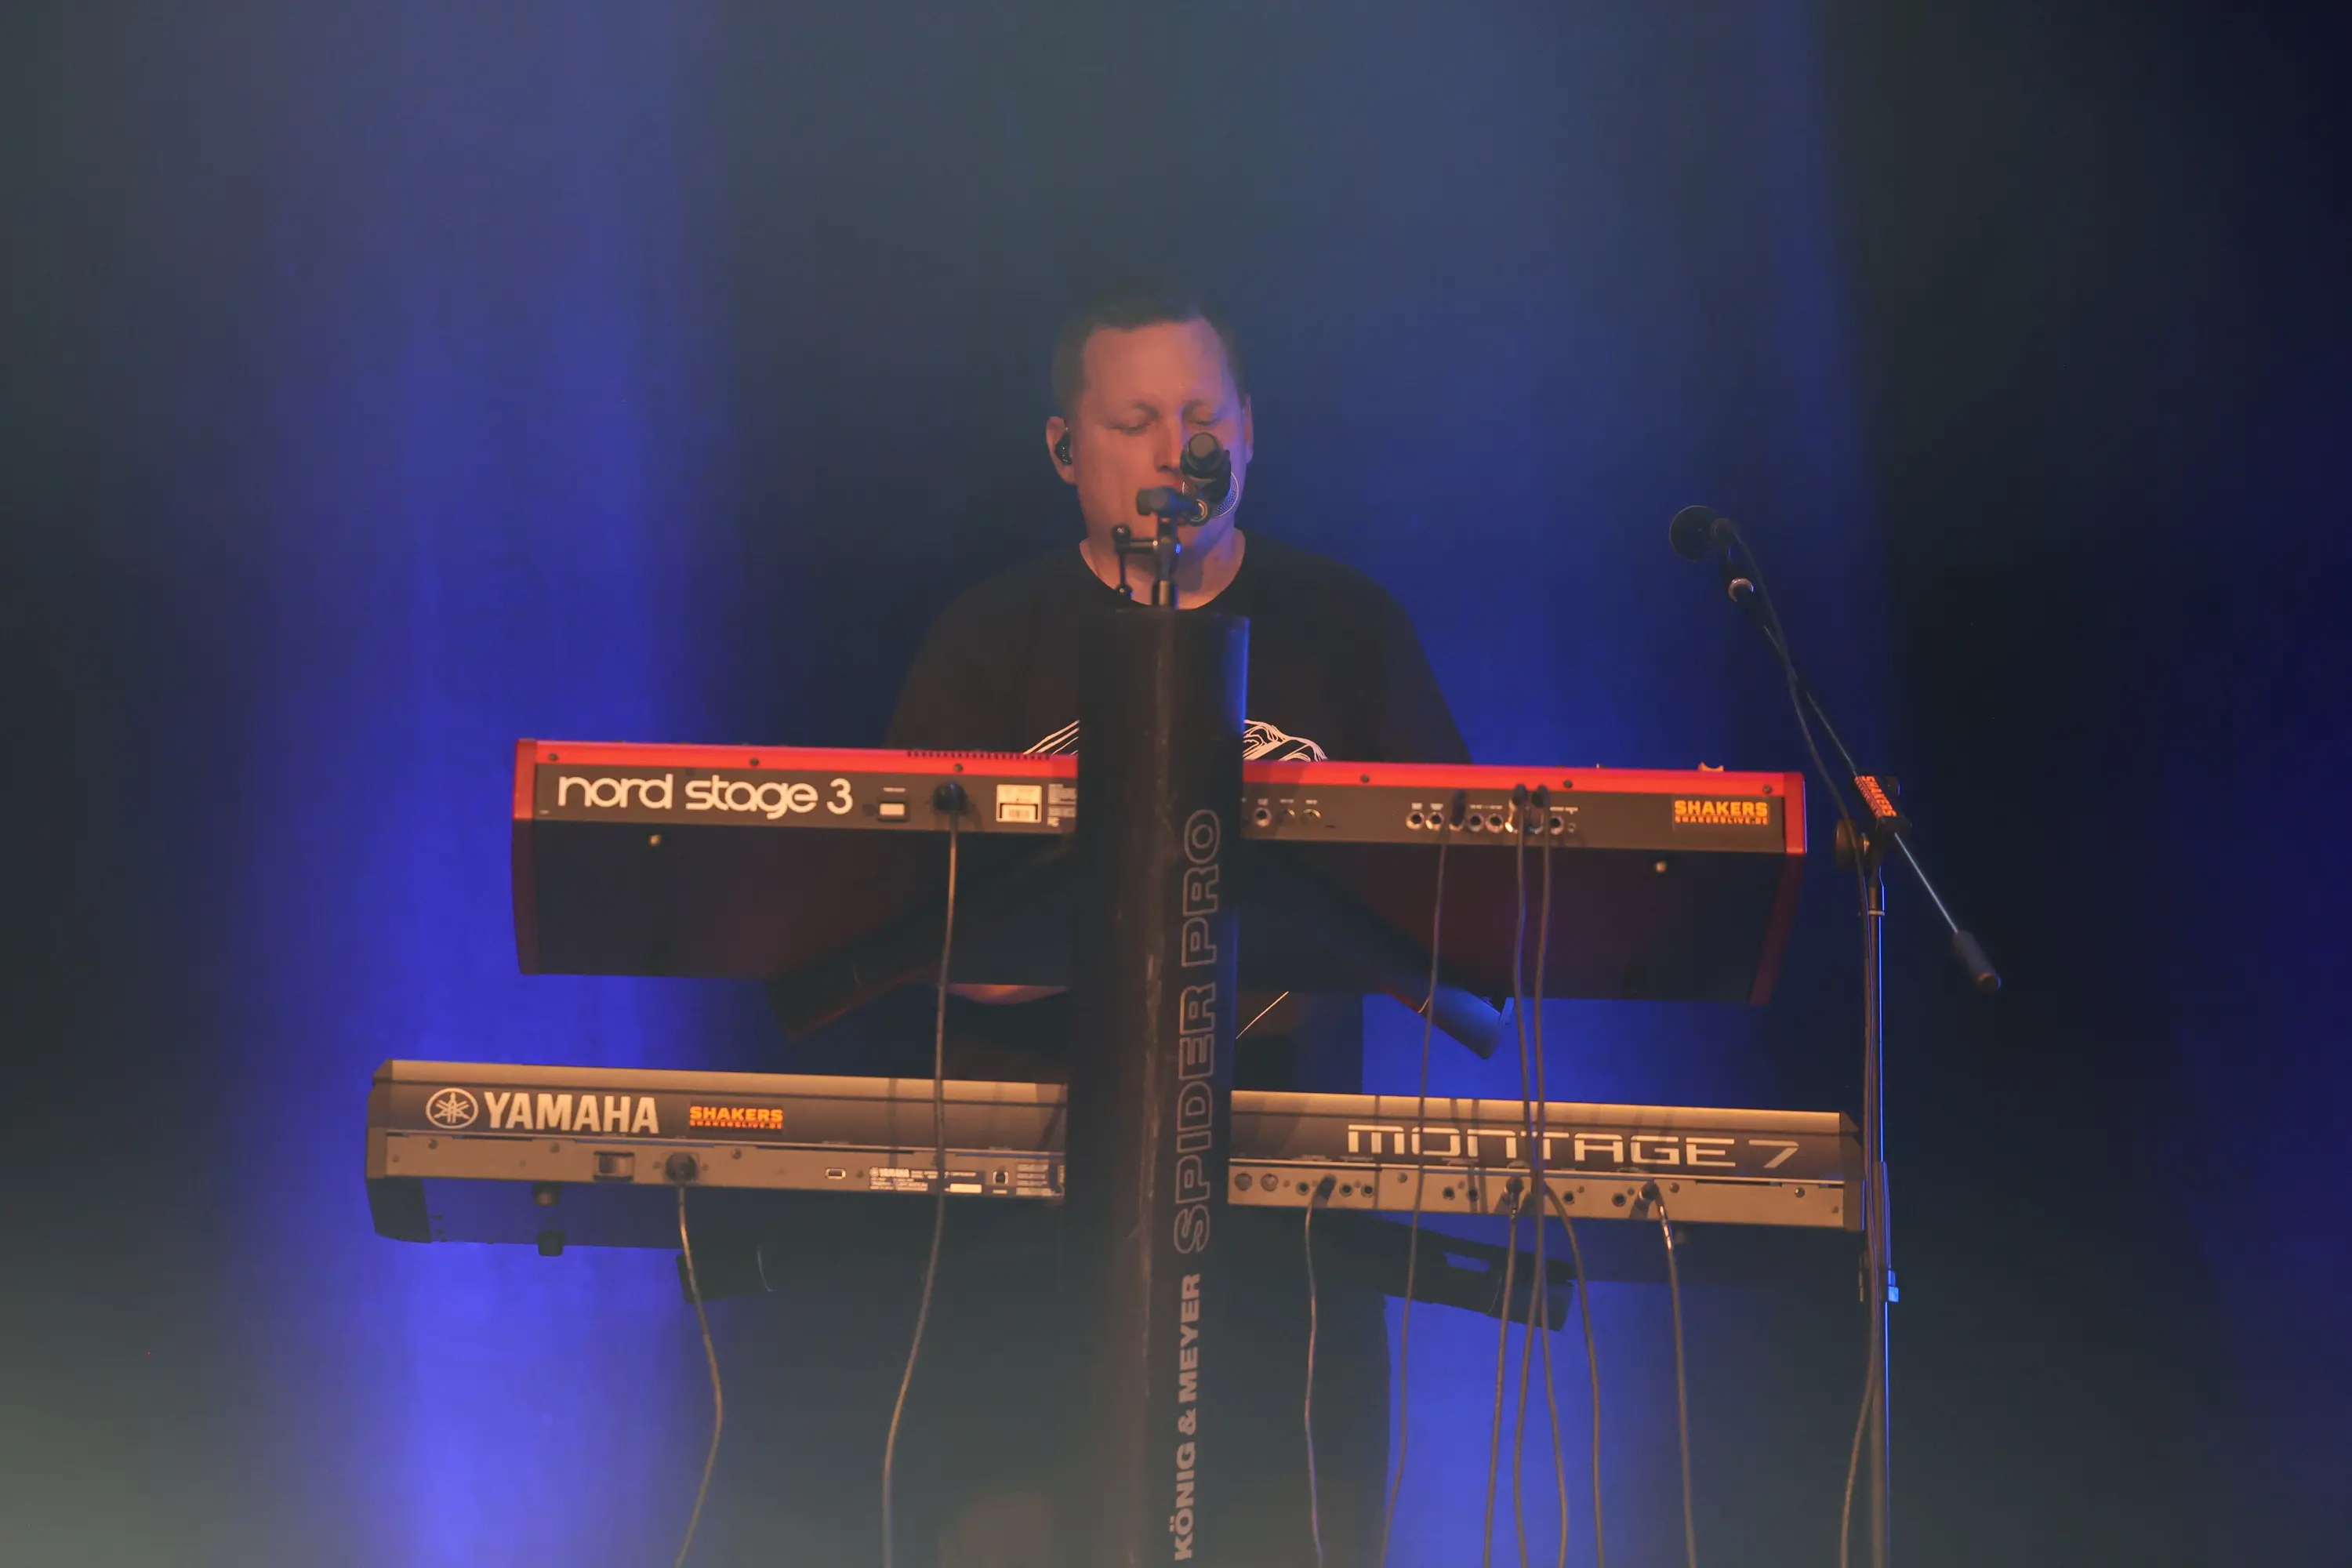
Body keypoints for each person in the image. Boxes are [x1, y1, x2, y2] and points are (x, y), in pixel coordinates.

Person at [884, 278, 1469, 1567]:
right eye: (1135, 420)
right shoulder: (989, 640)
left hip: (1288, 1215)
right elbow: (914, 928)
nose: (1174, 451)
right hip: (1030, 1208)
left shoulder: (1348, 627)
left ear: (1249, 431)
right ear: (1065, 447)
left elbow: (1451, 898)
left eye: (1201, 418)